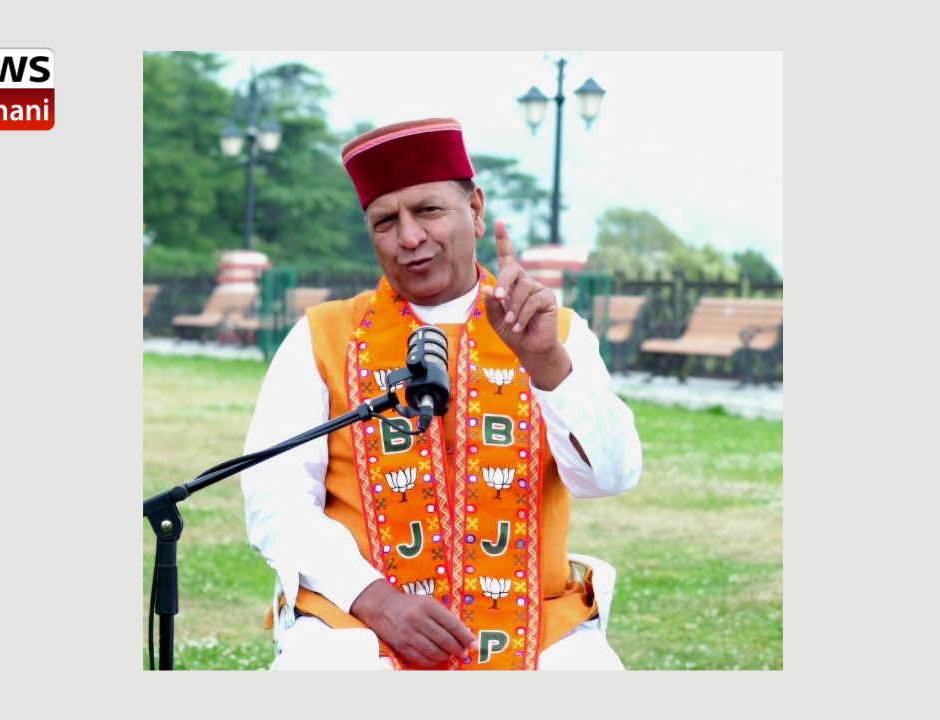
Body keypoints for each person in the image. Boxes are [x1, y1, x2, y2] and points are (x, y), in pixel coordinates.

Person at [241, 117, 642, 671]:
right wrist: (376, 600)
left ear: (475, 210)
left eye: (428, 210)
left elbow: (610, 478)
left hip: (535, 624)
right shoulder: (321, 337)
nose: (409, 238)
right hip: (358, 625)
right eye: (386, 221)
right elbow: (275, 501)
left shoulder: (555, 333)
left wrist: (547, 363)